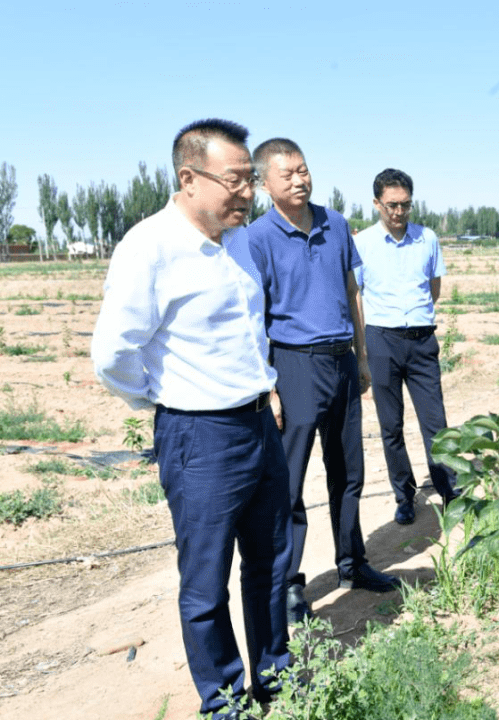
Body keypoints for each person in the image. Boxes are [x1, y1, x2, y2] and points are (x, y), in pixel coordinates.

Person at [90, 119, 291, 720]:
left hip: (258, 425)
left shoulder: (239, 243)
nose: (248, 193)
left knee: (272, 564)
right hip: (199, 436)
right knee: (205, 582)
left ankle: (277, 680)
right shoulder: (149, 247)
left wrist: (266, 391)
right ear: (189, 178)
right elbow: (112, 354)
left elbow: (249, 334)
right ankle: (225, 700)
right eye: (236, 180)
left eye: (250, 180)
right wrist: (163, 402)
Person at [246, 139, 400, 624]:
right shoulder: (258, 237)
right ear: (264, 184)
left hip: (340, 361)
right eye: (287, 173)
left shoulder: (335, 224)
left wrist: (361, 357)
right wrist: (268, 386)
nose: (299, 179)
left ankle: (352, 562)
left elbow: (352, 291)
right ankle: (290, 585)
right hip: (292, 364)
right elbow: (252, 317)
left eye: (304, 170)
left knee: (348, 472)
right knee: (288, 483)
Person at [352, 169, 459, 525]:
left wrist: (416, 318)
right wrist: (363, 352)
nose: (398, 212)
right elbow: (357, 296)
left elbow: (434, 288)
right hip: (382, 341)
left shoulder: (426, 239)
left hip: (421, 341)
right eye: (392, 205)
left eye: (405, 205)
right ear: (377, 203)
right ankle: (404, 496)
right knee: (391, 426)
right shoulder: (362, 244)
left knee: (436, 423)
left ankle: (449, 492)